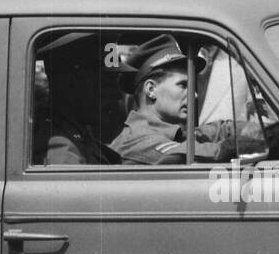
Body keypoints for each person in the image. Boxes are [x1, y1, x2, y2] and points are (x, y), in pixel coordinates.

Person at [108, 34, 257, 165]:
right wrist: (261, 143)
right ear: (151, 90)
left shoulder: (166, 132)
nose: (194, 95)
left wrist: (260, 131)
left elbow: (219, 130)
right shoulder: (138, 140)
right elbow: (214, 153)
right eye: (183, 85)